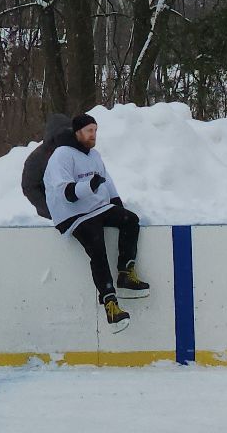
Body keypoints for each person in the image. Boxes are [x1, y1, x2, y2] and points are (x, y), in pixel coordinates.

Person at [44, 113, 147, 331]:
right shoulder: (62, 155)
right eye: (90, 131)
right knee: (97, 247)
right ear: (78, 132)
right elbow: (66, 193)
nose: (94, 135)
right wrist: (89, 186)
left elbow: (106, 182)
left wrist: (118, 205)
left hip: (97, 207)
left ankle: (126, 273)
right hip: (73, 215)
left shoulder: (94, 155)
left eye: (96, 130)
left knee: (130, 220)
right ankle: (110, 304)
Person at [20, 111, 72, 220]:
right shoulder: (37, 158)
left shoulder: (73, 152)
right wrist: (50, 210)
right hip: (50, 216)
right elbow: (29, 187)